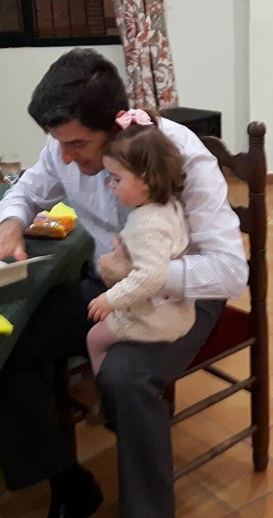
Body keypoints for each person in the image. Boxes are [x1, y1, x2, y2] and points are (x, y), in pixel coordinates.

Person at [0, 48, 247, 518]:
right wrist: (11, 222)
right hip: (109, 290)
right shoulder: (65, 147)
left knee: (124, 377)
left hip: (182, 299)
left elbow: (230, 271)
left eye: (77, 144)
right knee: (6, 341)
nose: (65, 156)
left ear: (116, 127)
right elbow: (28, 189)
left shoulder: (182, 158)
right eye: (57, 142)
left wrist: (147, 277)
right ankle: (69, 483)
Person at [86, 108, 194, 377]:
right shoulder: (168, 205)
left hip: (156, 318)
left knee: (94, 338)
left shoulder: (146, 223)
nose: (110, 185)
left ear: (144, 180)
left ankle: (103, 389)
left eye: (117, 178)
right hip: (177, 309)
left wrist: (110, 299)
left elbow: (150, 276)